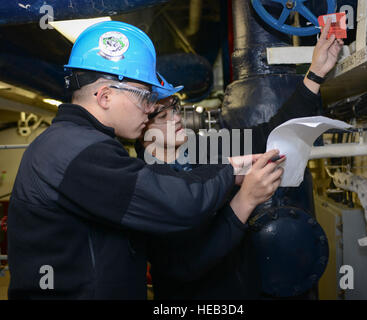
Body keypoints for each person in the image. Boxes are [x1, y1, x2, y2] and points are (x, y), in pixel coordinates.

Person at [6, 21, 279, 299]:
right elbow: (179, 203)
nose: (149, 109)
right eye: (144, 97)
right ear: (105, 96)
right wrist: (233, 172)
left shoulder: (86, 144)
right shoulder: (75, 150)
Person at [136, 19, 344, 299]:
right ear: (141, 128)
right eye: (163, 116)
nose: (176, 118)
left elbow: (270, 133)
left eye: (175, 108)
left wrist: (315, 73)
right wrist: (244, 200)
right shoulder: (145, 186)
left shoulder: (203, 149)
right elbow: (182, 267)